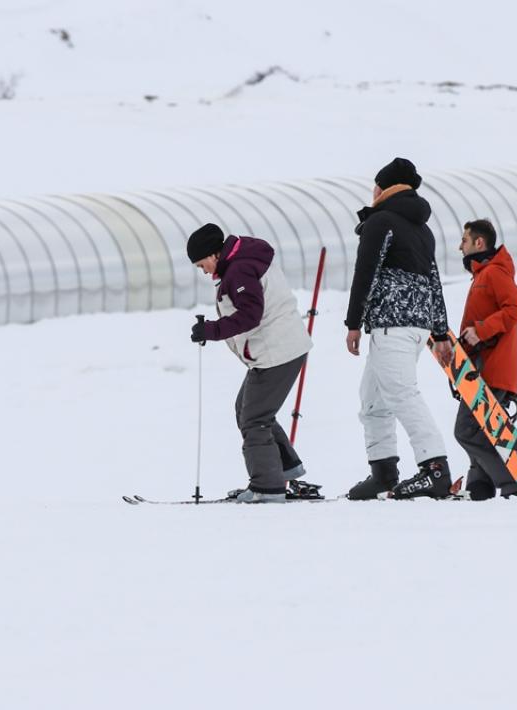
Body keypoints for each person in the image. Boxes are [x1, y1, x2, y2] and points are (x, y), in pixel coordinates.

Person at [344, 158, 455, 501]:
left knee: (402, 394)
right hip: (415, 326)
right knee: (373, 399)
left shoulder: (381, 222)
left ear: (384, 188)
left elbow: (366, 272)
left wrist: (353, 323)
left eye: (375, 186)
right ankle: (383, 472)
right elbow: (434, 281)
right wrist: (439, 332)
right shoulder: (423, 229)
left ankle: (435, 470)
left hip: (392, 325)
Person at [186, 223, 313, 503]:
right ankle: (284, 470)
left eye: (201, 264)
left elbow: (250, 315)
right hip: (279, 349)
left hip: (277, 352)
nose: (203, 271)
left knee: (254, 418)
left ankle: (267, 487)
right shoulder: (241, 262)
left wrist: (212, 330)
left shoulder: (239, 269)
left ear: (213, 253)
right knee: (247, 409)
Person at [454, 219, 517, 500]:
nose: (460, 246)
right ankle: (480, 484)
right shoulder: (481, 275)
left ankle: (512, 480)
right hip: (478, 368)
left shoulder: (494, 273)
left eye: (464, 240)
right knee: (482, 428)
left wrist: (481, 330)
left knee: (466, 430)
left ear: (479, 242)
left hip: (493, 368)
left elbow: (516, 310)